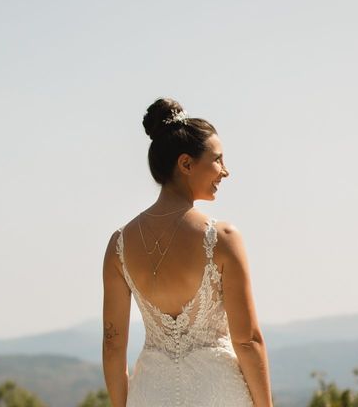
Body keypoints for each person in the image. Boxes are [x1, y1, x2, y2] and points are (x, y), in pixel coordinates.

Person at [102, 97, 273, 406]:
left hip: (150, 395)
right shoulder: (222, 238)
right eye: (218, 159)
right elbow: (247, 341)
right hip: (217, 394)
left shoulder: (119, 246)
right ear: (186, 163)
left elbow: (113, 345)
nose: (225, 171)